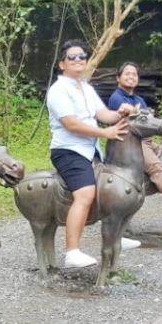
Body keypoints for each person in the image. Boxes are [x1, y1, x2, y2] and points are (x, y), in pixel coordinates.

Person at [45, 40, 134, 269]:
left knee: (111, 189)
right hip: (69, 150)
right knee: (85, 193)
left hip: (91, 150)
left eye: (82, 56)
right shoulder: (58, 90)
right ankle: (72, 252)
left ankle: (115, 237)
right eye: (73, 57)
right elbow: (71, 124)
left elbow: (104, 113)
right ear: (61, 64)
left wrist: (120, 112)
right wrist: (105, 132)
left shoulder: (86, 87)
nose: (78, 60)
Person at [106, 62, 162, 218]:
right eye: (127, 74)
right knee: (156, 167)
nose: (131, 77)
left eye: (134, 74)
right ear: (118, 78)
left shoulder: (139, 99)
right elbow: (134, 119)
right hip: (131, 143)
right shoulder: (116, 98)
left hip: (146, 141)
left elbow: (150, 123)